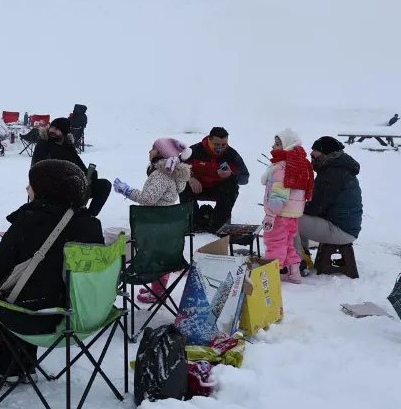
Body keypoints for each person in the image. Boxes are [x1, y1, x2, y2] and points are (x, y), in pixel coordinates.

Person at [0, 160, 104, 380]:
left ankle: (13, 369)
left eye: (32, 184)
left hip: (36, 319)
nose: (27, 188)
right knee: (38, 288)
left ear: (48, 188)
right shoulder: (91, 224)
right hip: (83, 315)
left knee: (4, 296)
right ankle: (23, 366)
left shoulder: (30, 220)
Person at [112, 138, 192, 302]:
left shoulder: (161, 175)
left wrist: (126, 190)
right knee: (161, 258)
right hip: (166, 228)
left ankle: (155, 291)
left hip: (153, 228)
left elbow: (148, 199)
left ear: (162, 154)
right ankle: (158, 290)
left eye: (153, 148)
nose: (150, 151)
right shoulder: (171, 173)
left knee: (112, 238)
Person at [293, 137, 363, 257]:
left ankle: (296, 261)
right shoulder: (337, 169)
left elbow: (315, 207)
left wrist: (292, 205)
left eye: (315, 150)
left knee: (289, 219)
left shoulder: (333, 173)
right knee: (295, 216)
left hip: (341, 230)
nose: (311, 153)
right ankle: (301, 256)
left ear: (327, 153)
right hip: (345, 227)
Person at [260, 129, 313, 284]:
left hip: (279, 214)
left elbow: (279, 194)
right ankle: (293, 273)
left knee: (274, 243)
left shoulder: (282, 167)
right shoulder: (299, 164)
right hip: (292, 215)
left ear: (287, 145)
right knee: (288, 244)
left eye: (278, 144)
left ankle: (272, 275)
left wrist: (270, 215)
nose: (274, 146)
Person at [32, 117, 110, 216]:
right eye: (52, 127)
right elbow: (37, 169)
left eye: (57, 129)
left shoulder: (68, 147)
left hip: (73, 186)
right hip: (52, 188)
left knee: (104, 185)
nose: (52, 131)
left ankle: (88, 215)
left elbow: (80, 167)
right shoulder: (43, 145)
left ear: (64, 132)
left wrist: (90, 175)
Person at [181, 127, 250, 234]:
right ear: (209, 140)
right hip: (197, 188)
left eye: (224, 145)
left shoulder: (231, 155)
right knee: (182, 185)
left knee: (232, 187)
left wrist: (231, 175)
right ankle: (192, 221)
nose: (220, 148)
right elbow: (176, 167)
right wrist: (190, 177)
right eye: (217, 145)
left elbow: (245, 178)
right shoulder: (194, 151)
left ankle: (219, 224)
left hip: (219, 190)